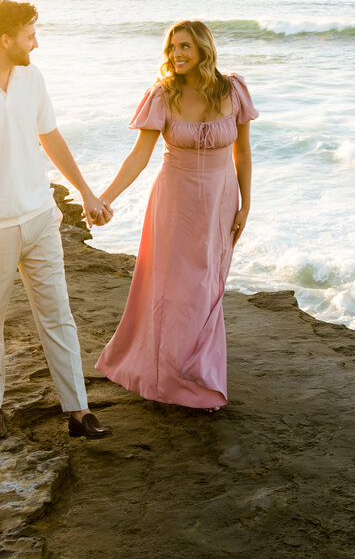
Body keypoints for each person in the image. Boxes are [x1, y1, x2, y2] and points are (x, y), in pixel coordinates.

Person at [0, 0, 113, 440]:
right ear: (6, 38)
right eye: (31, 34)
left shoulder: (32, 77)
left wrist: (86, 192)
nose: (37, 42)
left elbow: (49, 136)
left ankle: (79, 410)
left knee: (58, 315)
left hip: (38, 217)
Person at [95, 20, 257, 410]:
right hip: (174, 201)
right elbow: (139, 156)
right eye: (171, 47)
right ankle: (168, 373)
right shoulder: (162, 95)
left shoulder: (233, 90)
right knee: (173, 289)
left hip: (220, 201)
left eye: (184, 46)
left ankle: (199, 370)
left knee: (206, 285)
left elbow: (244, 152)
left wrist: (246, 204)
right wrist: (103, 198)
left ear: (203, 48)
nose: (176, 54)